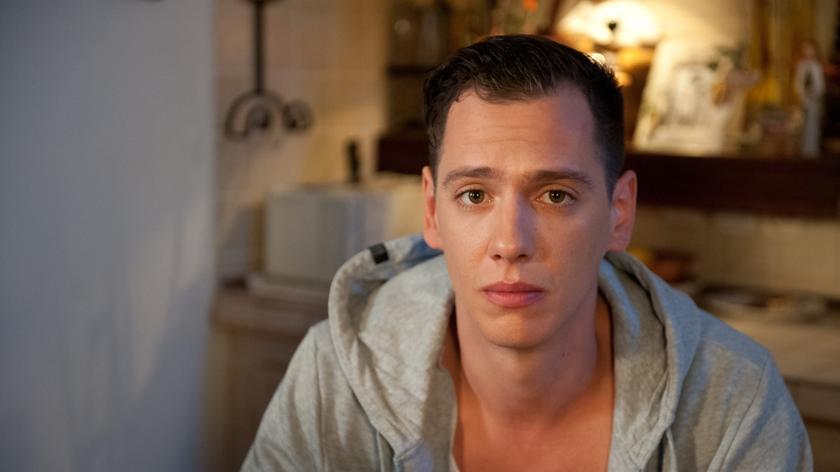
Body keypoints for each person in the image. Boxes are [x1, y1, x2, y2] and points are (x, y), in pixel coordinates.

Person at [242, 35, 812, 471]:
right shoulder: (334, 373)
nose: (511, 243)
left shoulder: (733, 399)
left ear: (619, 212)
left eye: (555, 195)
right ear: (433, 211)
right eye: (474, 195)